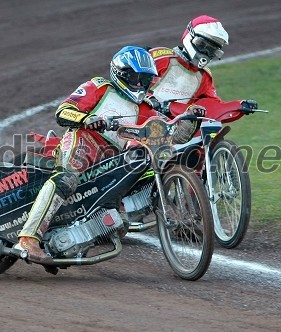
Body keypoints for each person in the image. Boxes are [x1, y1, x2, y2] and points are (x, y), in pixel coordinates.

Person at [14, 46, 204, 264]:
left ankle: (67, 242)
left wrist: (191, 119)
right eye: (135, 78)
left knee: (118, 219)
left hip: (112, 161)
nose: (140, 84)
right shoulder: (99, 87)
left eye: (145, 79)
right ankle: (28, 238)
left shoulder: (146, 108)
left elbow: (175, 137)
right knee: (66, 178)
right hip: (83, 141)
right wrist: (87, 120)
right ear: (121, 74)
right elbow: (63, 111)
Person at [144, 15, 258, 122]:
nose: (206, 53)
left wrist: (239, 105)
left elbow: (212, 108)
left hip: (173, 131)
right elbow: (132, 85)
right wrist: (155, 103)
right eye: (203, 45)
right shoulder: (160, 57)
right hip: (138, 121)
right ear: (190, 36)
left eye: (213, 50)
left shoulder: (204, 76)